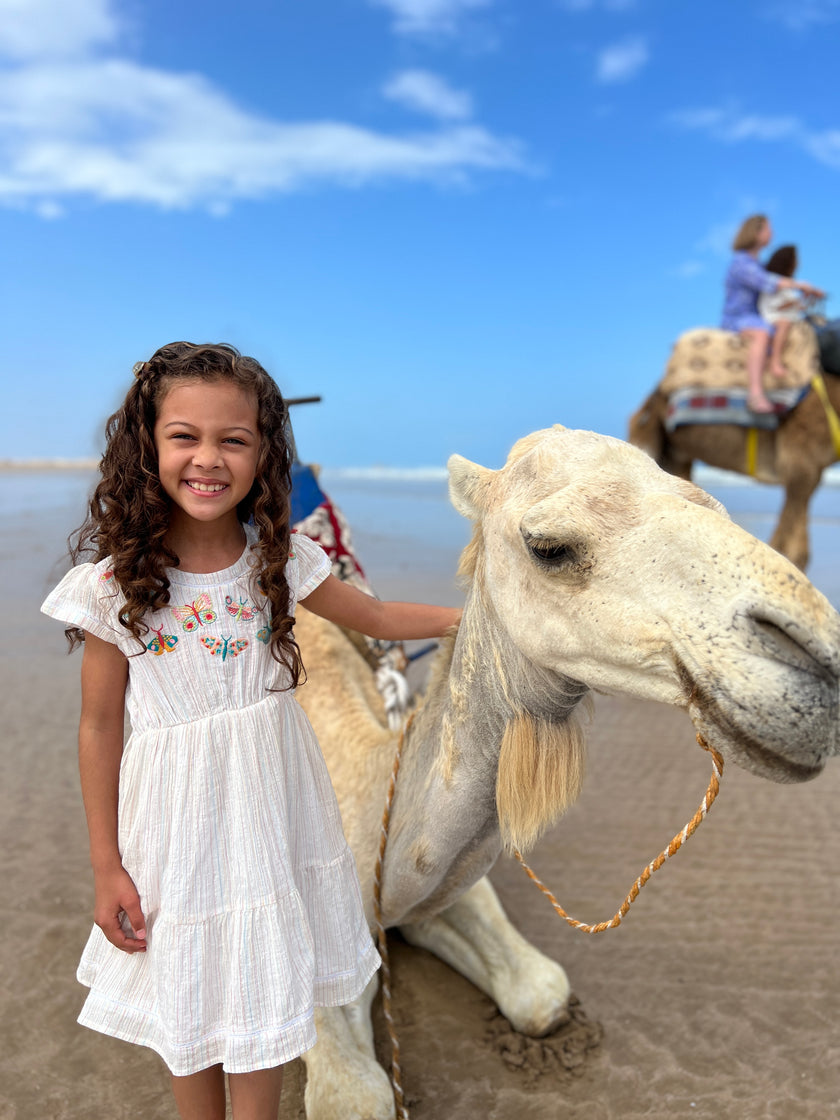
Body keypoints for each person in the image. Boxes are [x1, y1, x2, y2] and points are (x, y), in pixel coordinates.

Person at [41, 342, 462, 1120]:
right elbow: (99, 726)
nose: (208, 458)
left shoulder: (280, 557)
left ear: (264, 452)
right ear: (147, 444)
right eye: (184, 436)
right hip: (173, 829)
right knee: (190, 1000)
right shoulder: (113, 586)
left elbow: (372, 617)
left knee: (265, 995)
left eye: (233, 440)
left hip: (273, 816)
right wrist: (107, 866)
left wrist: (471, 620)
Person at [721, 215, 824, 413]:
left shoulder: (757, 263)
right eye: (768, 229)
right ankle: (755, 394)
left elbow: (774, 298)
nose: (772, 233)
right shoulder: (741, 263)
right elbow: (768, 283)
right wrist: (800, 285)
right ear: (756, 233)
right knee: (762, 333)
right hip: (739, 318)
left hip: (757, 316)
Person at [758, 244, 817, 379]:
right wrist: (797, 301)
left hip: (786, 315)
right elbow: (778, 307)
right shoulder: (774, 281)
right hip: (773, 315)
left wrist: (806, 300)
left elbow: (795, 305)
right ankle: (775, 361)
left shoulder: (787, 283)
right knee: (784, 324)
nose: (798, 263)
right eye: (795, 259)